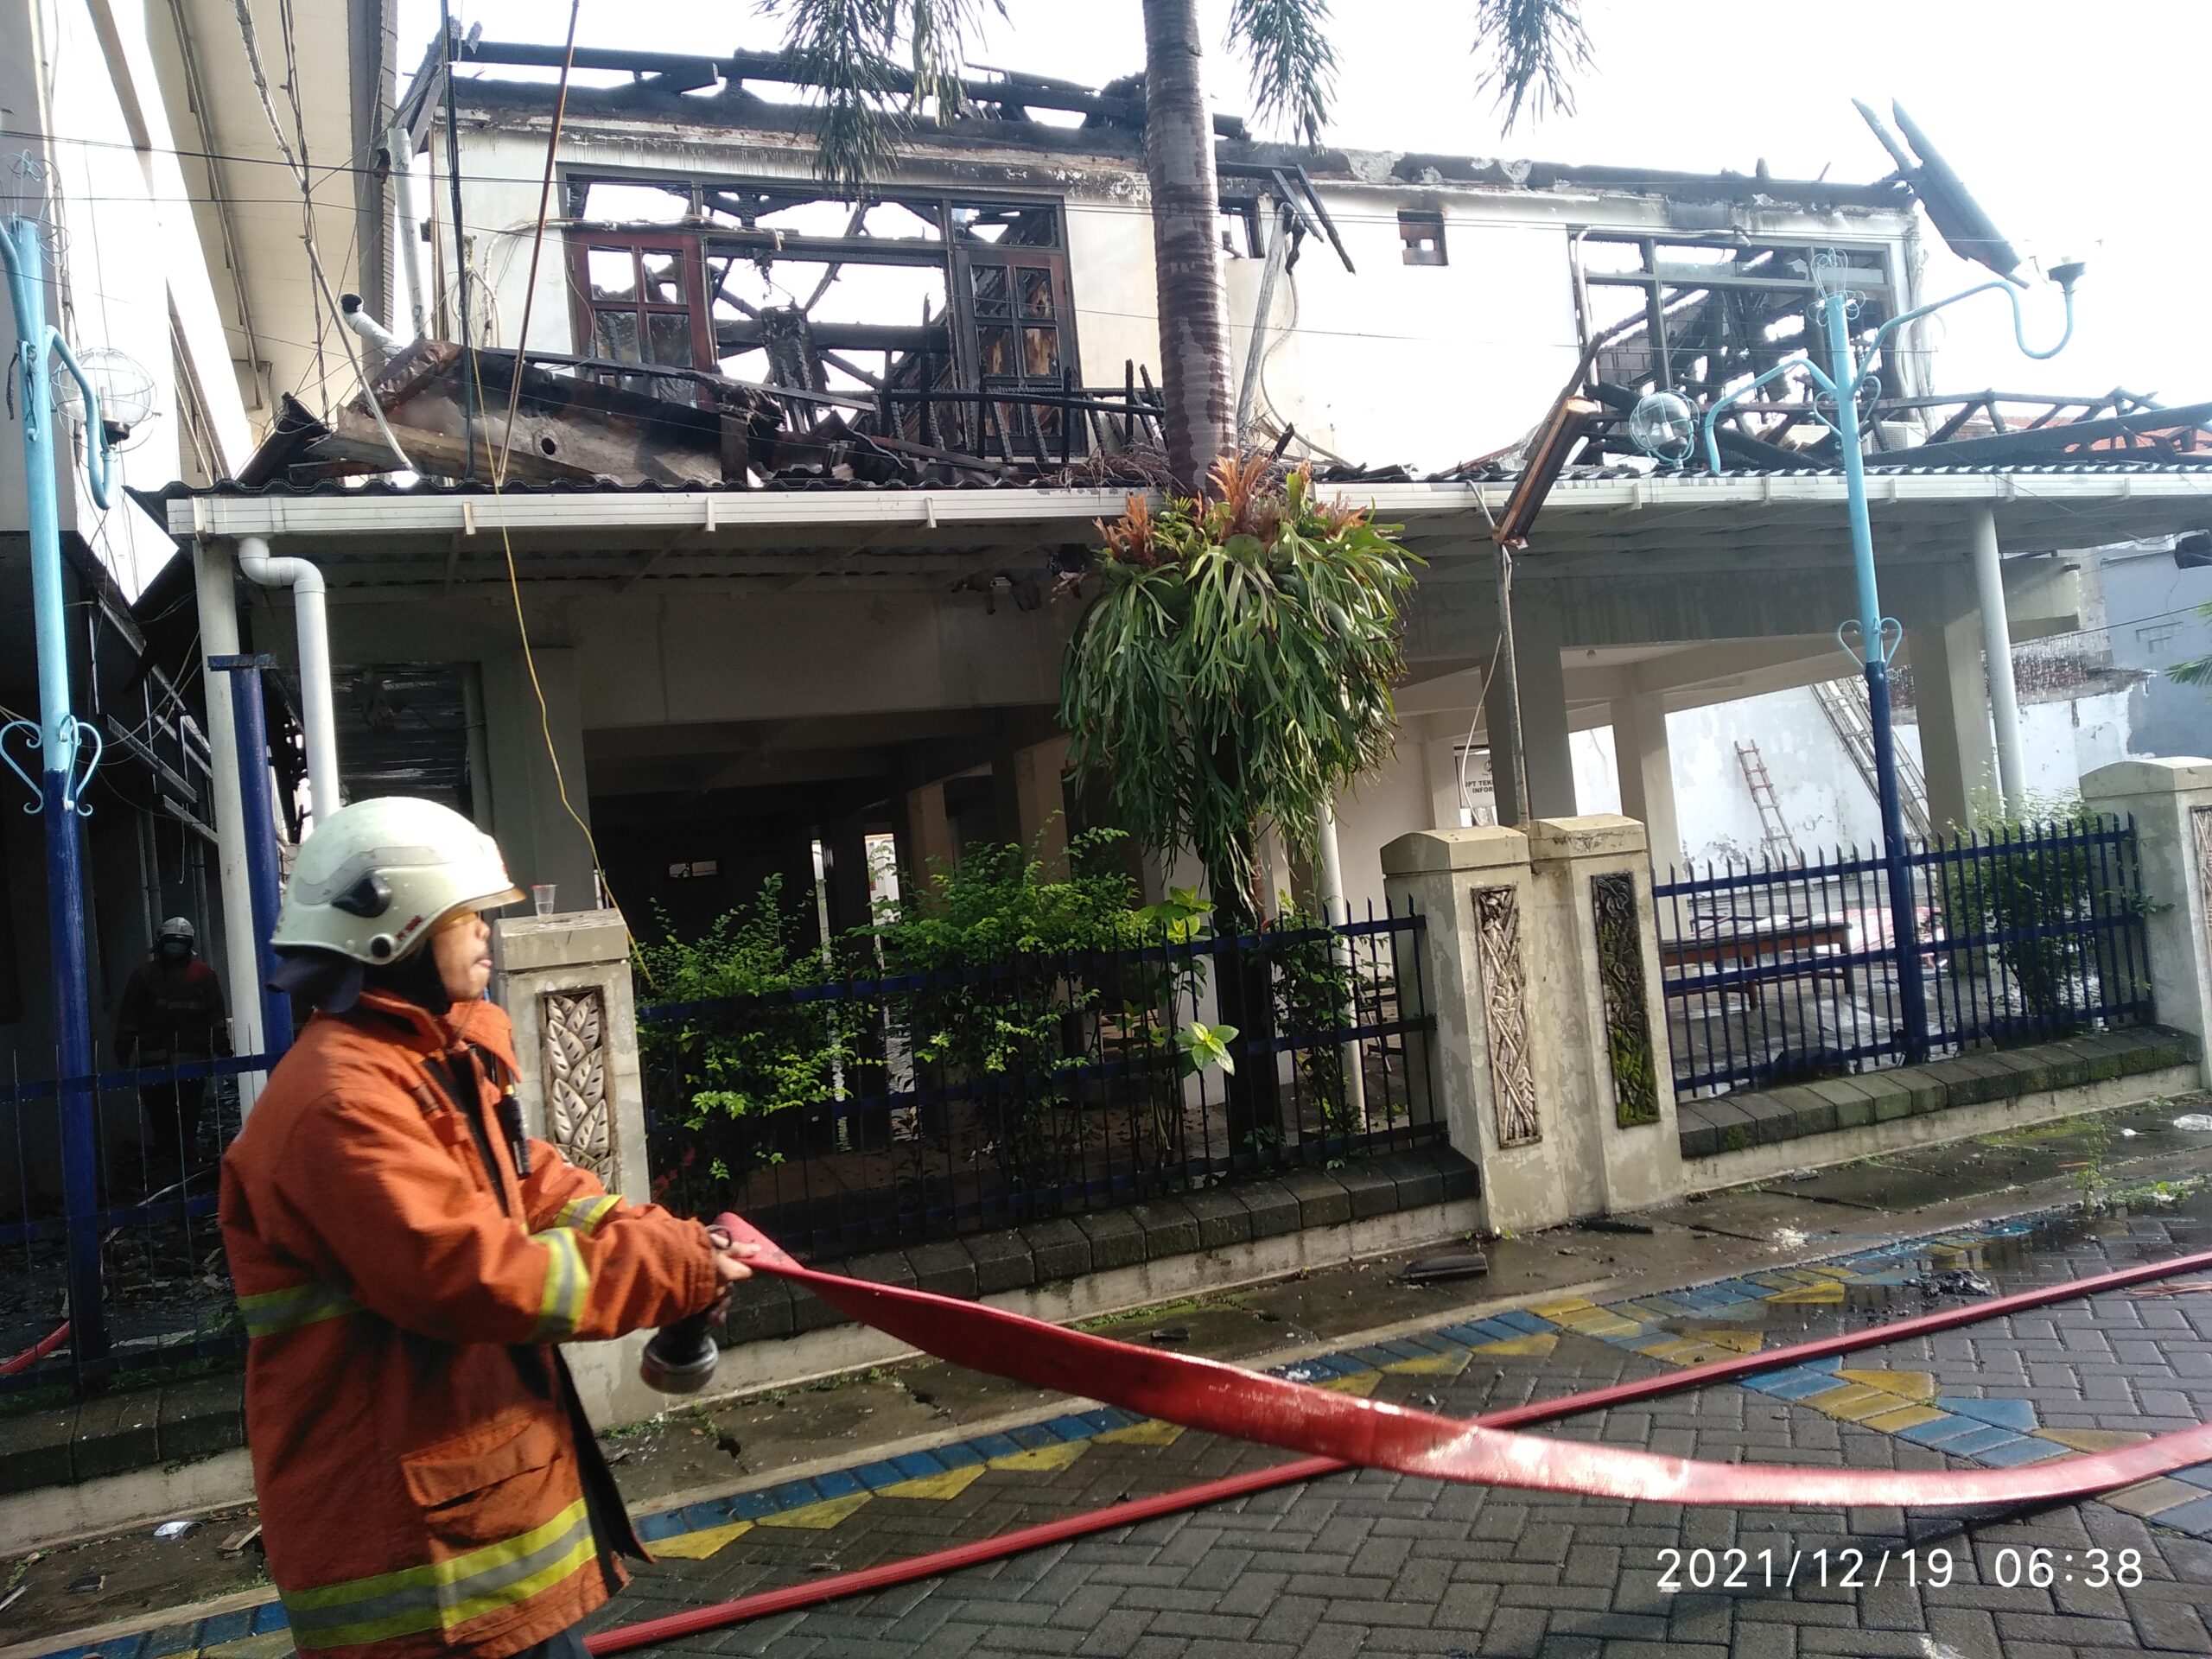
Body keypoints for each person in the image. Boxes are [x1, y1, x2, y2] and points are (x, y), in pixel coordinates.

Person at [220, 797, 753, 1659]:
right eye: (465, 916)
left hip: (466, 1536)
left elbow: (533, 1186)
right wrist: (669, 1269)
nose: (485, 935)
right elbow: (468, 1273)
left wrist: (679, 1245)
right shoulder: (339, 1103)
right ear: (391, 935)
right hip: (423, 1575)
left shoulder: (424, 1066)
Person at [115, 916, 231, 1189]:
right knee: (161, 1114)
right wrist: (123, 1045)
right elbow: (130, 1015)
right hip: (157, 1058)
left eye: (180, 943)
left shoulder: (203, 974)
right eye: (172, 943)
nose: (175, 948)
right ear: (161, 944)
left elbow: (215, 1014)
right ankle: (170, 1158)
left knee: (189, 1111)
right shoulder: (144, 976)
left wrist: (221, 1045)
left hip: (188, 1057)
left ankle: (185, 1157)